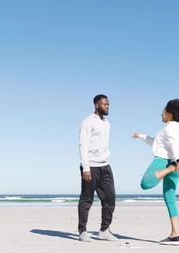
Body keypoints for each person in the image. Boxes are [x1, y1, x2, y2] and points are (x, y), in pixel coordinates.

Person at [132, 98, 179, 246]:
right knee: (170, 199)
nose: (161, 113)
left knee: (145, 183)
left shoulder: (169, 128)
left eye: (163, 111)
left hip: (166, 162)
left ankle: (171, 168)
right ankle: (175, 236)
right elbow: (159, 143)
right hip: (175, 162)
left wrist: (176, 163)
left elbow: (173, 144)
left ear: (170, 113)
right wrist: (142, 137)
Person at [77, 94, 117, 242]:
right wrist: (86, 167)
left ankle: (104, 230)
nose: (107, 106)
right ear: (96, 105)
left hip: (105, 165)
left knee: (110, 198)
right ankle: (82, 232)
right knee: (87, 200)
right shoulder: (88, 122)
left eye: (108, 104)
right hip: (91, 166)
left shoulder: (107, 123)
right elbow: (83, 144)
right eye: (104, 104)